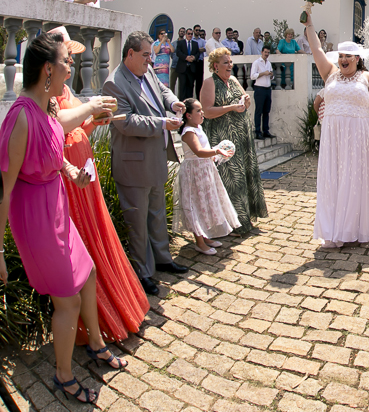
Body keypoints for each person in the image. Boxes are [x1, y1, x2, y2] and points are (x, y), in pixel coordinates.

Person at [1, 32, 129, 405]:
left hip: (55, 207)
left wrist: (71, 173)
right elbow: (4, 189)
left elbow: (52, 149)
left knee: (87, 272)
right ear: (46, 69)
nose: (71, 65)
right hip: (35, 219)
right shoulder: (20, 117)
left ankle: (96, 345)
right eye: (65, 61)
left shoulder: (47, 109)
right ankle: (63, 375)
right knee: (67, 301)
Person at [50, 27, 150, 344]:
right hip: (69, 180)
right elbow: (55, 130)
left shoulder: (66, 92)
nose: (70, 65)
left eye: (70, 58)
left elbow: (79, 129)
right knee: (86, 242)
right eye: (67, 57)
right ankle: (94, 323)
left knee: (98, 236)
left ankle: (114, 310)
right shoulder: (48, 95)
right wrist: (90, 108)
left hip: (85, 170)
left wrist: (96, 120)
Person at [301, 11, 369, 248]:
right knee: (335, 180)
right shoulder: (330, 74)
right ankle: (334, 227)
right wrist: (309, 21)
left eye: (348, 56)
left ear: (357, 59)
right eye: (341, 56)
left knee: (355, 180)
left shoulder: (368, 78)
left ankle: (354, 226)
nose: (343, 59)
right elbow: (316, 49)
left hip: (360, 139)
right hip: (333, 139)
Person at [103, 31, 188, 295]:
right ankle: (143, 272)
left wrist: (173, 102)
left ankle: (163, 259)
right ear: (130, 54)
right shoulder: (114, 84)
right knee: (137, 221)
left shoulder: (146, 71)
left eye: (150, 55)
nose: (150, 61)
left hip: (154, 159)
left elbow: (161, 89)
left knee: (156, 213)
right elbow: (126, 122)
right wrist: (163, 123)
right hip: (133, 164)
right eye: (146, 55)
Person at [200, 48, 269, 235]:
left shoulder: (233, 80)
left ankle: (244, 218)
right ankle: (232, 223)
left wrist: (245, 102)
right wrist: (231, 107)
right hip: (223, 140)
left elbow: (244, 103)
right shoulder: (209, 83)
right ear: (215, 66)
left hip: (241, 137)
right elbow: (206, 111)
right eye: (226, 62)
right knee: (230, 179)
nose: (230, 65)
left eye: (230, 62)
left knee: (244, 176)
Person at [174, 98, 241, 255]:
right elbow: (198, 151)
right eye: (198, 110)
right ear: (188, 115)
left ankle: (206, 235)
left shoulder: (198, 128)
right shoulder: (188, 132)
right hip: (194, 173)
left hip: (205, 170)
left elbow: (204, 150)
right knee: (196, 204)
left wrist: (215, 153)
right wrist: (216, 151)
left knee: (207, 203)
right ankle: (199, 242)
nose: (202, 113)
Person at [250, 45, 275, 139]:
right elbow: (252, 76)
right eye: (265, 52)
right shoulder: (256, 63)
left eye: (268, 53)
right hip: (259, 88)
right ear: (262, 52)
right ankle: (257, 131)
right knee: (258, 111)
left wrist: (271, 75)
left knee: (266, 111)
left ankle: (266, 130)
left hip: (267, 88)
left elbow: (272, 76)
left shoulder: (269, 63)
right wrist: (263, 73)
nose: (266, 54)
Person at [175, 28, 202, 100]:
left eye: (191, 34)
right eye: (188, 34)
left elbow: (197, 53)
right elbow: (178, 52)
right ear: (186, 34)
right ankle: (182, 104)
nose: (190, 35)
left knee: (190, 86)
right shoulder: (181, 42)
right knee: (182, 87)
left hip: (191, 68)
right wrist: (186, 57)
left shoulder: (195, 44)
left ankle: (189, 104)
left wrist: (194, 58)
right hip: (183, 68)